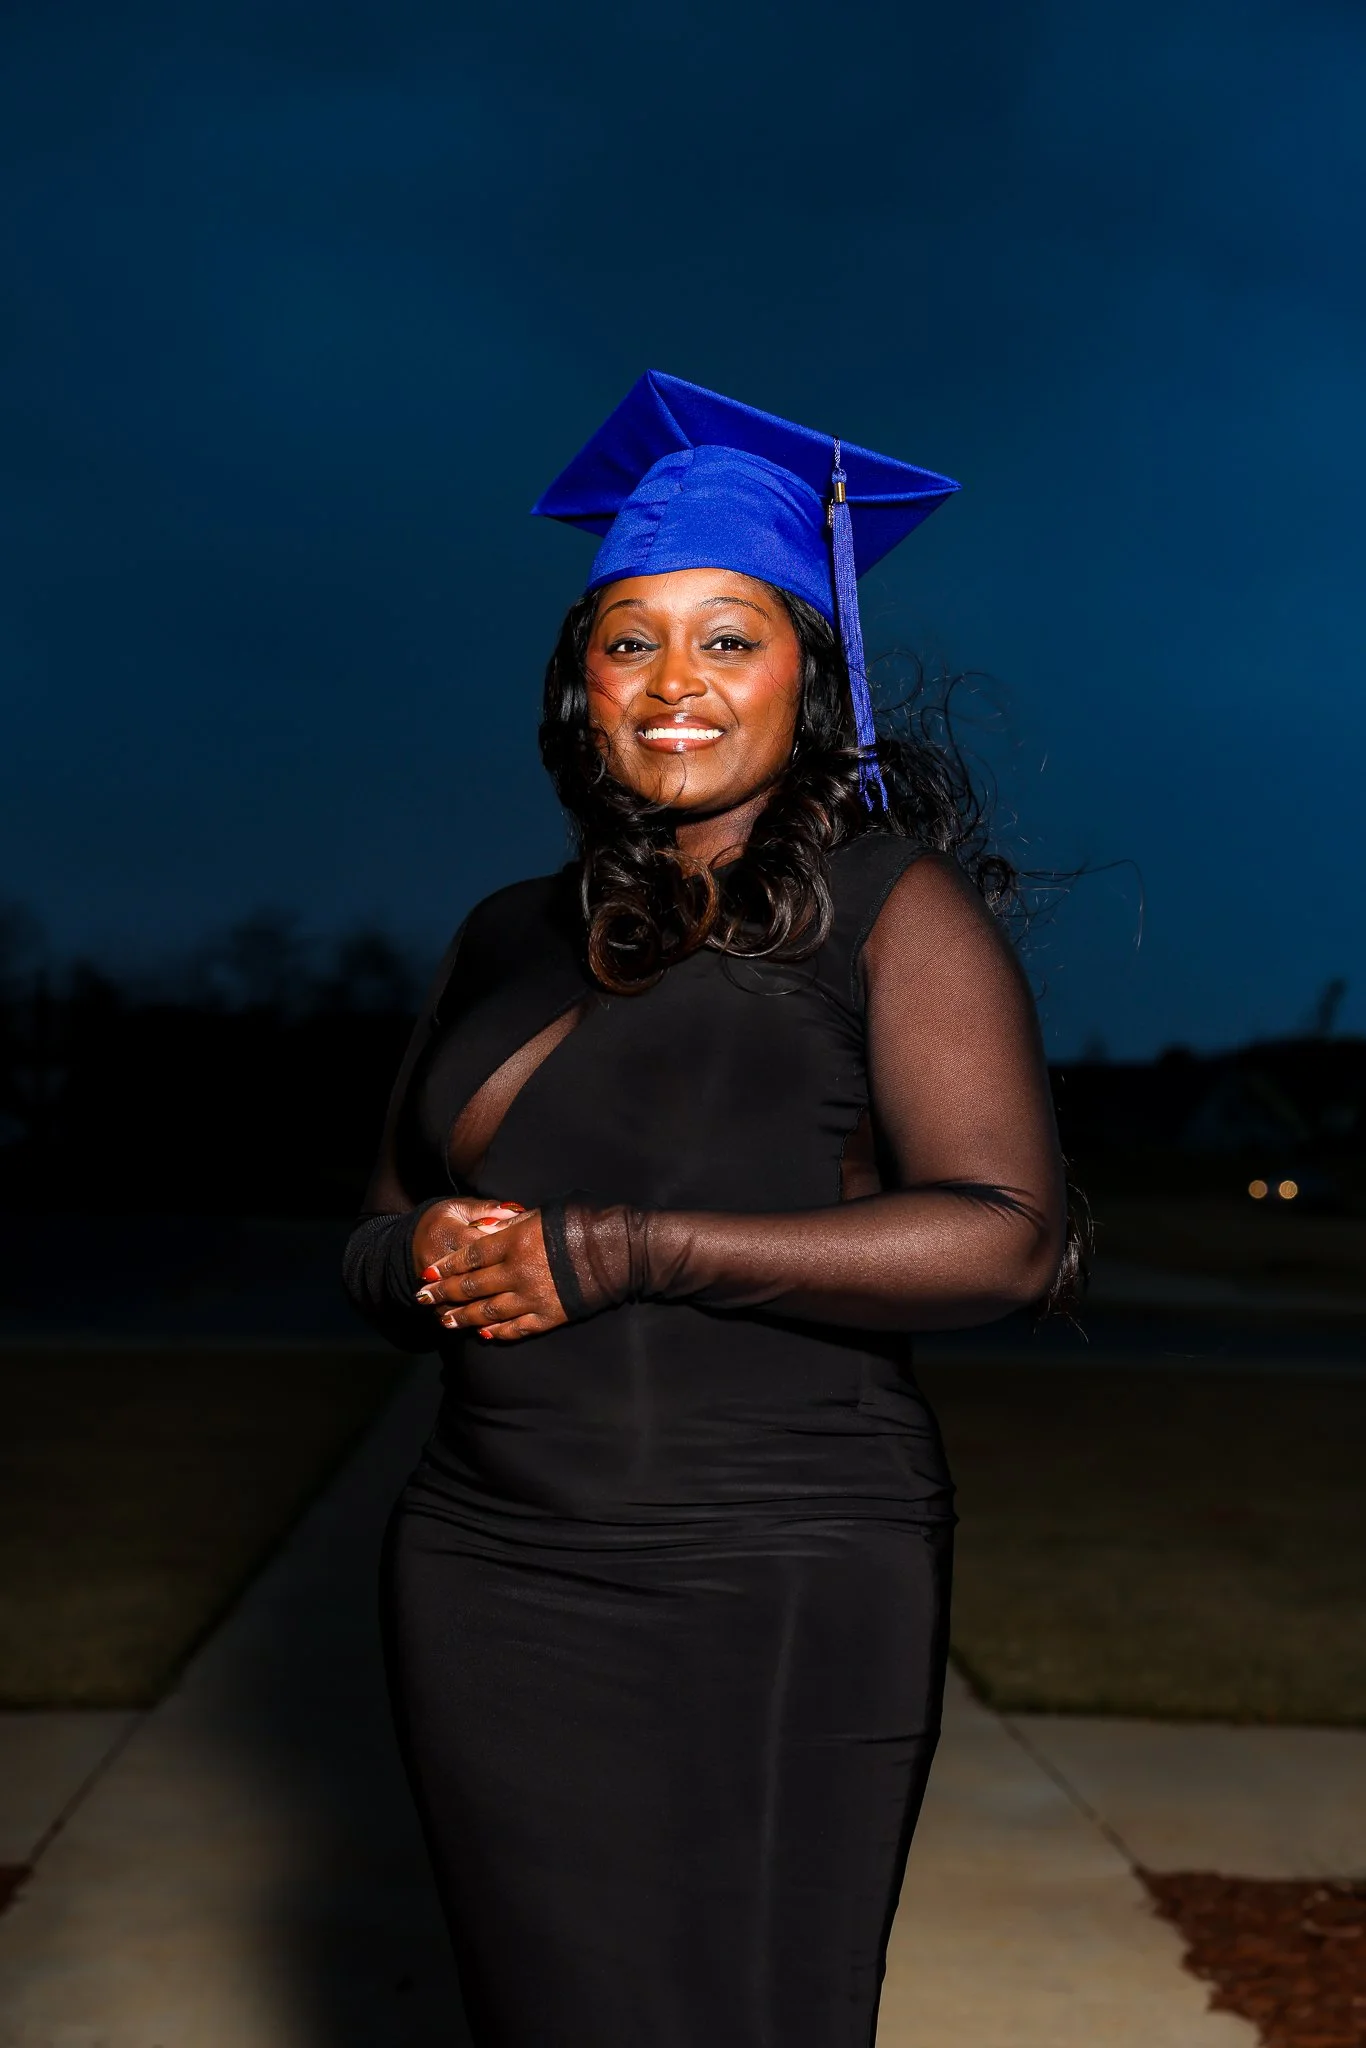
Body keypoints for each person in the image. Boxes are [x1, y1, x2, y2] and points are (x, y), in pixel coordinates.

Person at [343, 370, 1072, 2048]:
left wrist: (618, 1250)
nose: (674, 683)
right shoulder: (501, 932)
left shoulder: (888, 909)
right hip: (484, 1566)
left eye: (728, 639)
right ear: (580, 686)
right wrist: (424, 1254)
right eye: (630, 642)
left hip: (778, 1563)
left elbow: (1006, 1235)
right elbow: (379, 1229)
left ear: (808, 676)